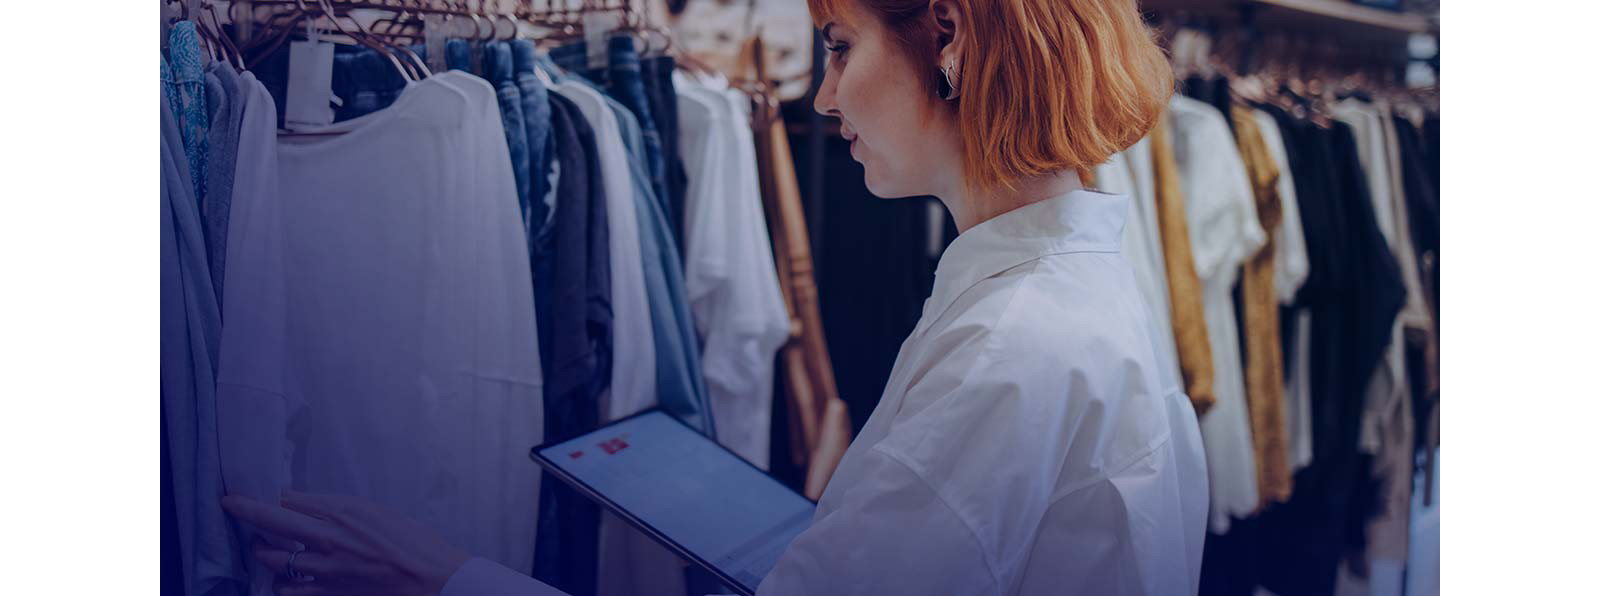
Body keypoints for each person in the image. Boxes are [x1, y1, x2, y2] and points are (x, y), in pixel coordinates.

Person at [222, 0, 1209, 594]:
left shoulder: (1014, 342)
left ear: (946, 36)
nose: (821, 98)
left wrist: (447, 575)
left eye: (836, 45)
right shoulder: (1068, 282)